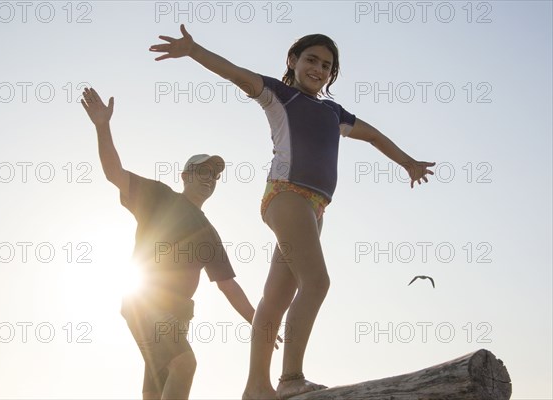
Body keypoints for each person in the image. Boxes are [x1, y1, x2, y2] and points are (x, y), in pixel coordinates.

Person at [149, 26, 435, 400]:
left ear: (333, 74)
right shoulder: (279, 95)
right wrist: (193, 49)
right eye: (311, 60)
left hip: (315, 208)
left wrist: (408, 162)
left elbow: (375, 136)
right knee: (316, 282)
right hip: (287, 197)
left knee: (275, 300)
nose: (318, 68)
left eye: (327, 65)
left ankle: (255, 387)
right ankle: (290, 378)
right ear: (293, 61)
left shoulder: (334, 112)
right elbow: (234, 72)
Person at [81, 87, 257, 400]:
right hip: (147, 304)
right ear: (185, 175)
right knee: (185, 364)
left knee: (157, 391)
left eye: (214, 176)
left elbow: (228, 285)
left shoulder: (209, 233)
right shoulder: (160, 197)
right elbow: (114, 173)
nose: (209, 179)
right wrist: (102, 126)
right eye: (202, 172)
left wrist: (259, 321)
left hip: (178, 317)